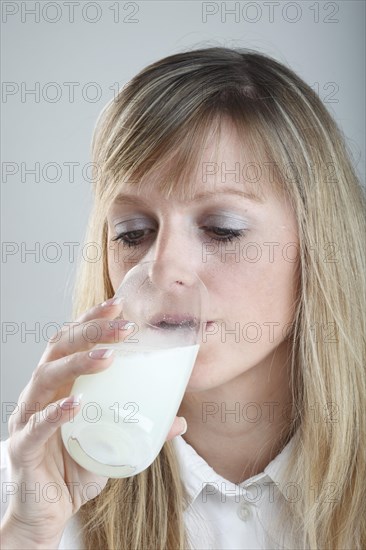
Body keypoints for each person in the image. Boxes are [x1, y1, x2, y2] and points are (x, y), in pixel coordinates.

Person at [1, 47, 365, 550]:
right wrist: (26, 534)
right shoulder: (26, 489)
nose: (163, 267)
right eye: (133, 232)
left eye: (222, 229)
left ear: (319, 244)